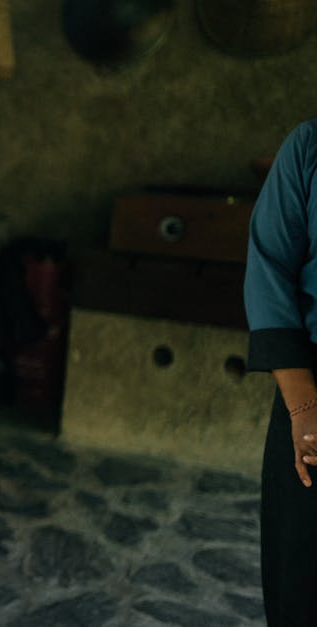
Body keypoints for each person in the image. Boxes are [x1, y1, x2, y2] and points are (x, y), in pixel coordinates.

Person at [245, 118, 317, 625]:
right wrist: (305, 407)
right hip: (310, 390)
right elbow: (269, 267)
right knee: (301, 582)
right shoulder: (310, 145)